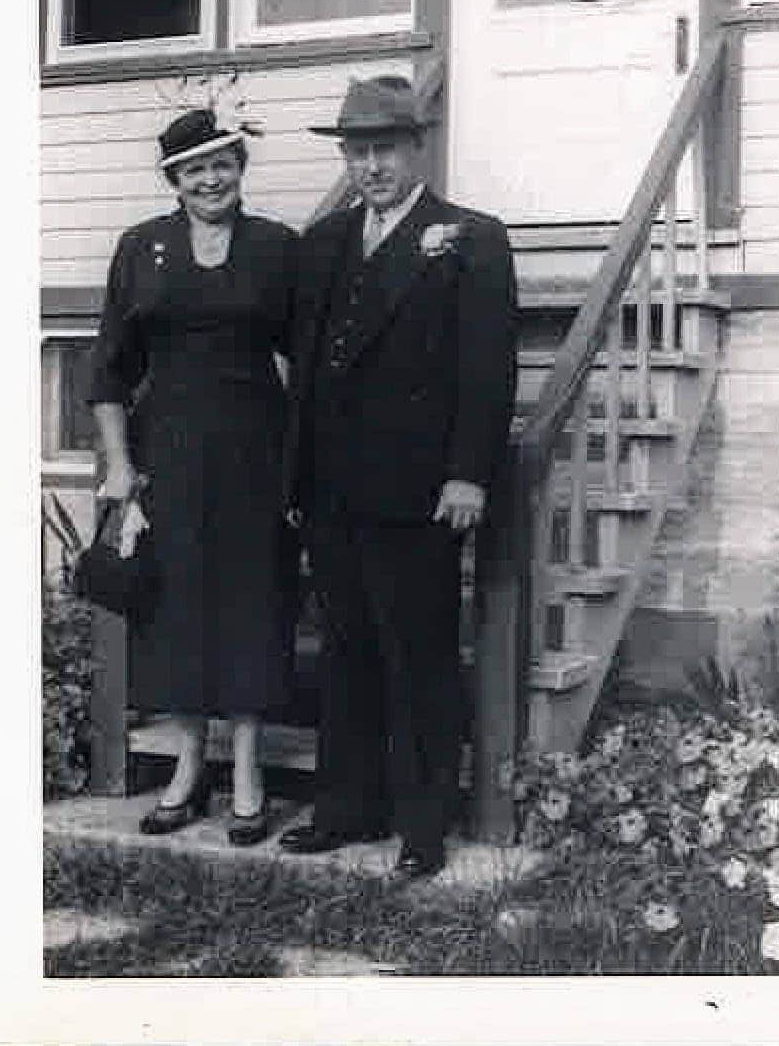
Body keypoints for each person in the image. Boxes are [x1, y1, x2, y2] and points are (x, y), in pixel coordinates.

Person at [280, 74, 518, 878]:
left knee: (417, 650)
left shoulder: (470, 238)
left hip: (420, 491)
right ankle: (346, 808)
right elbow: (304, 364)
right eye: (359, 152)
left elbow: (487, 370)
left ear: (418, 149)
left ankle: (423, 825)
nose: (372, 166)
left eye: (386, 149)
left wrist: (468, 476)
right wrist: (293, 478)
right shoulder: (323, 243)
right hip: (330, 488)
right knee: (345, 649)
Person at [87, 106, 299, 846]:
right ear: (174, 180)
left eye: (224, 163)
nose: (211, 178)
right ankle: (186, 769)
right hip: (168, 459)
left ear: (241, 168)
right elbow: (110, 370)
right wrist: (120, 467)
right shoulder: (141, 248)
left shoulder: (277, 247)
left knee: (251, 607)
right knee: (174, 614)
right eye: (195, 169)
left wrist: (302, 464)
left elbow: (307, 361)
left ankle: (247, 774)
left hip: (255, 455)